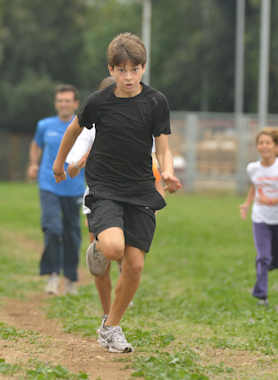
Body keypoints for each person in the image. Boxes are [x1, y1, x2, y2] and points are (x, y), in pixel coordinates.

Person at [53, 32, 182, 353]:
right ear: (111, 69)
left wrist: (168, 171)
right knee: (112, 249)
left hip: (140, 189)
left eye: (135, 69)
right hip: (105, 187)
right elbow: (73, 129)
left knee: (135, 265)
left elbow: (163, 147)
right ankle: (98, 248)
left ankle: (110, 327)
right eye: (121, 70)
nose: (128, 77)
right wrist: (58, 165)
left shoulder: (156, 102)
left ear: (143, 68)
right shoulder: (99, 102)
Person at [66, 76, 166, 328]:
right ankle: (105, 312)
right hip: (100, 196)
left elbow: (155, 160)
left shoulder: (143, 120)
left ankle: (113, 318)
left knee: (127, 258)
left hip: (134, 194)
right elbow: (71, 170)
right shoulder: (89, 131)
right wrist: (80, 162)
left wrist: (159, 190)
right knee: (104, 261)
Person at [27, 84, 85, 296]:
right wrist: (34, 164)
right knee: (52, 228)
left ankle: (70, 279)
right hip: (48, 184)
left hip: (74, 187)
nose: (64, 104)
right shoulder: (44, 125)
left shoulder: (84, 126)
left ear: (75, 104)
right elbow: (36, 145)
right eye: (60, 100)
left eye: (68, 100)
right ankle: (52, 275)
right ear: (56, 103)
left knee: (72, 233)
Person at [239, 127, 278, 307]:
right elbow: (255, 187)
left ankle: (263, 268)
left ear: (276, 147)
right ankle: (261, 295)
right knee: (264, 257)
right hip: (261, 219)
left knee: (277, 262)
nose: (264, 146)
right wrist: (247, 204)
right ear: (257, 146)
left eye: (268, 143)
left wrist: (271, 200)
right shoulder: (253, 168)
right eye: (261, 143)